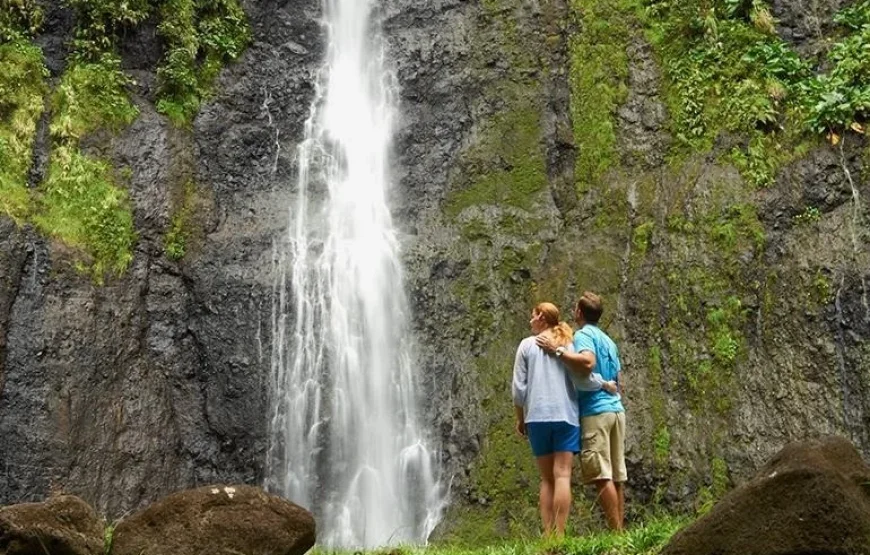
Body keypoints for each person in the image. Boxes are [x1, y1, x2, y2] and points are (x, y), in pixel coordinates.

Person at [512, 302, 617, 537]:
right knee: (562, 476)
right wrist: (605, 384)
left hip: (537, 417)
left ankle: (548, 537)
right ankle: (560, 535)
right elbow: (584, 378)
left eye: (532, 315)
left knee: (547, 479)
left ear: (541, 317)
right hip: (566, 417)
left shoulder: (526, 346)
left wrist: (521, 419)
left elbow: (518, 390)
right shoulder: (567, 344)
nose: (530, 321)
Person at [537, 292, 627, 531]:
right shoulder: (608, 340)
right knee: (617, 476)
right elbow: (619, 380)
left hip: (596, 410)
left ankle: (616, 534)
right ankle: (620, 531)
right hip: (616, 410)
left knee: (600, 475)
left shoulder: (584, 335)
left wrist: (557, 351)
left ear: (579, 312)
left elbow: (586, 364)